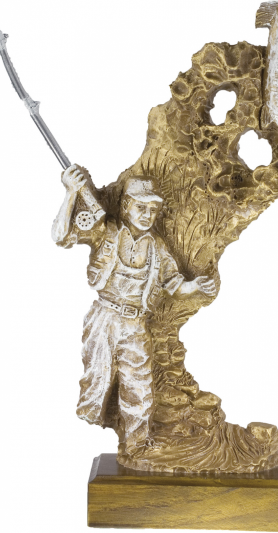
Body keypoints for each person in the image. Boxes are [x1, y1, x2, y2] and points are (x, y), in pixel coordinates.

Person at [51, 165, 216, 456]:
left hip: (136, 325)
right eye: (141, 207)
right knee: (97, 380)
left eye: (152, 209)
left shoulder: (157, 247)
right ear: (126, 206)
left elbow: (174, 284)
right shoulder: (105, 232)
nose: (147, 214)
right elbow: (61, 237)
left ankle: (137, 445)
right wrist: (71, 193)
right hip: (104, 319)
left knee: (139, 386)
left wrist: (196, 286)